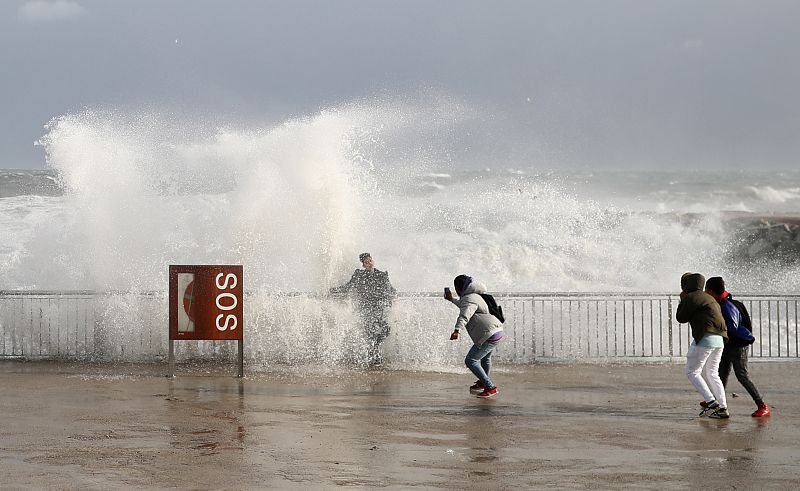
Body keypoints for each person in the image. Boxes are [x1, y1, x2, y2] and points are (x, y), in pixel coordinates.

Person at [704, 276, 771, 417]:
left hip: (737, 346)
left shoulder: (726, 306)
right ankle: (717, 403)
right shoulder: (729, 303)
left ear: (710, 291)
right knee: (721, 375)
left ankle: (762, 406)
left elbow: (732, 327)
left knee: (742, 376)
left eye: (706, 290)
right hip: (726, 345)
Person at [676, 272, 730, 418]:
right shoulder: (709, 297)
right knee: (713, 373)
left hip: (705, 338)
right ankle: (723, 408)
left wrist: (682, 300)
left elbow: (681, 317)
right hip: (720, 339)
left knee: (692, 372)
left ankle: (711, 402)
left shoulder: (692, 297)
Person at [330, 253, 397, 366]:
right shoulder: (359, 275)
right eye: (366, 262)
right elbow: (348, 287)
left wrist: (394, 297)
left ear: (373, 261)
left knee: (385, 330)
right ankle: (374, 358)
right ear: (363, 265)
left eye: (370, 261)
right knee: (370, 333)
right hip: (365, 308)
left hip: (379, 307)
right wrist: (333, 290)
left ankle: (375, 354)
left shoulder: (382, 275)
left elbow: (390, 289)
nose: (369, 263)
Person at [444, 275, 505, 398]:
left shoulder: (469, 299)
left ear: (460, 287)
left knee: (471, 361)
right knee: (485, 359)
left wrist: (457, 330)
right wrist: (452, 299)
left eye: (456, 287)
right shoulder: (474, 296)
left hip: (488, 334)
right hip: (496, 331)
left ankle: (490, 386)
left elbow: (465, 314)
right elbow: (464, 305)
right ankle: (483, 383)